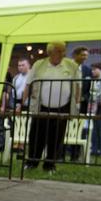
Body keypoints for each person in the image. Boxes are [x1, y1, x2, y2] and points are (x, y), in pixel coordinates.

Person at [21, 41, 80, 172]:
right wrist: (21, 103)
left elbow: (77, 86)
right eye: (59, 51)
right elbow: (28, 84)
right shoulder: (39, 64)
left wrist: (77, 104)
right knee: (36, 135)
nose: (62, 53)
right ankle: (32, 162)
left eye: (63, 51)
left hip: (63, 107)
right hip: (41, 106)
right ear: (50, 52)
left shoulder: (72, 65)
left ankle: (50, 164)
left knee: (57, 137)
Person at [87, 63, 101, 157]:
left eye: (94, 69)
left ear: (100, 70)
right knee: (95, 130)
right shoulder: (93, 81)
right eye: (92, 70)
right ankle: (94, 150)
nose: (92, 71)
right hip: (95, 108)